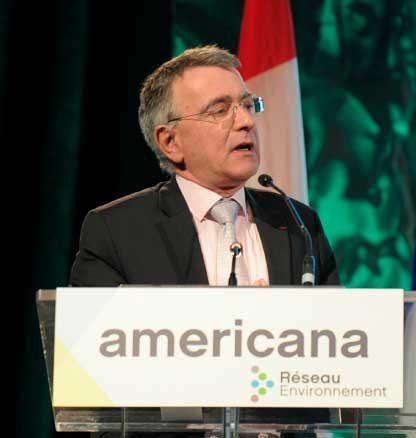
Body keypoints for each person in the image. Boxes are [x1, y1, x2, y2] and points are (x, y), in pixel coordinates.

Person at [70, 45, 338, 436]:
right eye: (220, 110)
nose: (245, 121)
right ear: (170, 141)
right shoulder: (117, 230)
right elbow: (97, 382)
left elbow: (335, 356)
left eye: (247, 104)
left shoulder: (297, 222)